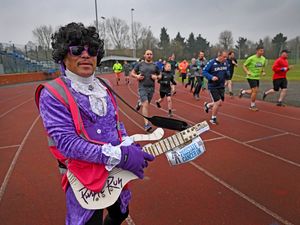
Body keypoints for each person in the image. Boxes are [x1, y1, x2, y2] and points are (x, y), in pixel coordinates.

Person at [35, 22, 155, 225]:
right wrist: (122, 155)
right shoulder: (53, 93)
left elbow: (116, 124)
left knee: (121, 213)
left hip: (115, 169)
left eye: (91, 50)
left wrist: (127, 142)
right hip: (84, 176)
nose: (85, 55)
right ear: (64, 55)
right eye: (76, 50)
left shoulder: (104, 86)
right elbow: (68, 144)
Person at [131, 49, 160, 131]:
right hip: (142, 87)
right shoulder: (140, 64)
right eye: (147, 54)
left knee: (146, 104)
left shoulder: (155, 65)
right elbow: (132, 73)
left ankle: (139, 102)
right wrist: (137, 76)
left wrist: (156, 77)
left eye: (151, 54)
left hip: (151, 88)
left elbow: (160, 75)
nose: (149, 55)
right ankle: (146, 124)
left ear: (152, 56)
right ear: (144, 55)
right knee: (146, 104)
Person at [203, 51, 229, 125]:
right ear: (219, 56)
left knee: (219, 103)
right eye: (224, 57)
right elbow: (204, 71)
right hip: (213, 86)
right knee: (217, 102)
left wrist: (227, 79)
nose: (225, 58)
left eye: (226, 57)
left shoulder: (226, 62)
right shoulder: (211, 62)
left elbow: (227, 71)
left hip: (221, 85)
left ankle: (207, 105)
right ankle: (213, 118)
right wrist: (211, 77)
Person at [239, 46, 266, 111]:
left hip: (257, 77)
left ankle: (243, 92)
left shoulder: (263, 59)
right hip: (251, 77)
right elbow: (244, 65)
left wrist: (263, 72)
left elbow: (262, 67)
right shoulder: (251, 58)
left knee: (254, 91)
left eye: (263, 51)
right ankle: (252, 105)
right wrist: (247, 71)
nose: (262, 52)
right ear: (257, 51)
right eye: (261, 51)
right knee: (255, 91)